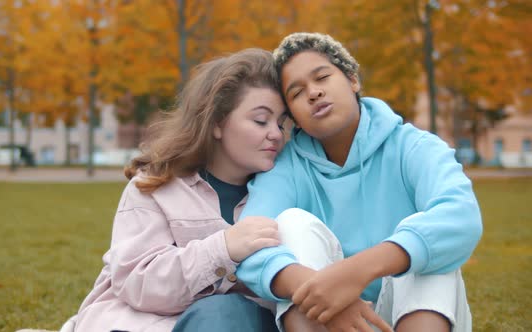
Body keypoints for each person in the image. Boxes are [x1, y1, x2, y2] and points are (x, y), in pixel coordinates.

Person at [235, 32, 483, 332]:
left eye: (322, 77)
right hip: (328, 319)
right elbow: (248, 245)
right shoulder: (287, 168)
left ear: (352, 80)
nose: (313, 93)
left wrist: (357, 271)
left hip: (413, 314)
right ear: (295, 117)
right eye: (297, 92)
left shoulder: (414, 146)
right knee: (290, 224)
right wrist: (322, 291)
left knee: (426, 240)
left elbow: (461, 215)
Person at [69, 48, 288, 332]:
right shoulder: (154, 186)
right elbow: (137, 282)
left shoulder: (285, 197)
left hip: (236, 324)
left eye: (281, 123)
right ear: (217, 123)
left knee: (229, 313)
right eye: (261, 120)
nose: (276, 133)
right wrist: (223, 249)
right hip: (139, 324)